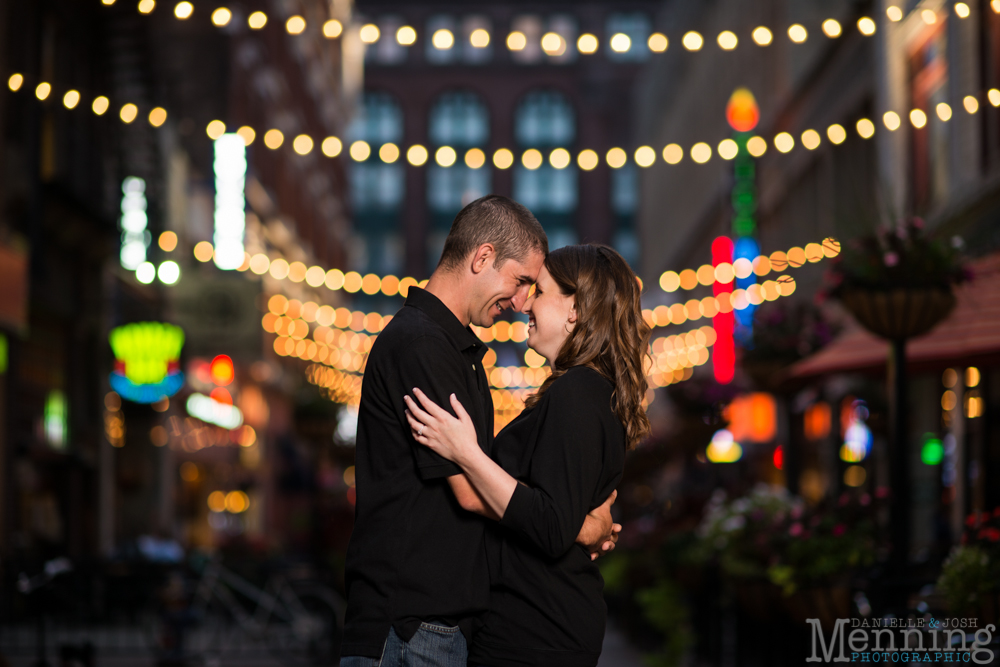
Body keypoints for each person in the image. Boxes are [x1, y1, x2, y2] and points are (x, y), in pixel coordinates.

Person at [340, 197, 621, 667]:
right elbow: (471, 492)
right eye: (521, 281)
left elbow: (503, 480)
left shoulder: (455, 348)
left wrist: (569, 512)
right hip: (411, 624)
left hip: (434, 624)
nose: (520, 301)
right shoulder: (422, 345)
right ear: (483, 257)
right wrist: (576, 525)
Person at [404, 244, 651, 667]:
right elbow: (561, 513)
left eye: (540, 291)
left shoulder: (578, 392)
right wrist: (586, 526)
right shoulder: (585, 391)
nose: (525, 304)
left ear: (576, 309)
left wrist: (466, 452)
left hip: (536, 628)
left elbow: (552, 525)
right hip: (539, 621)